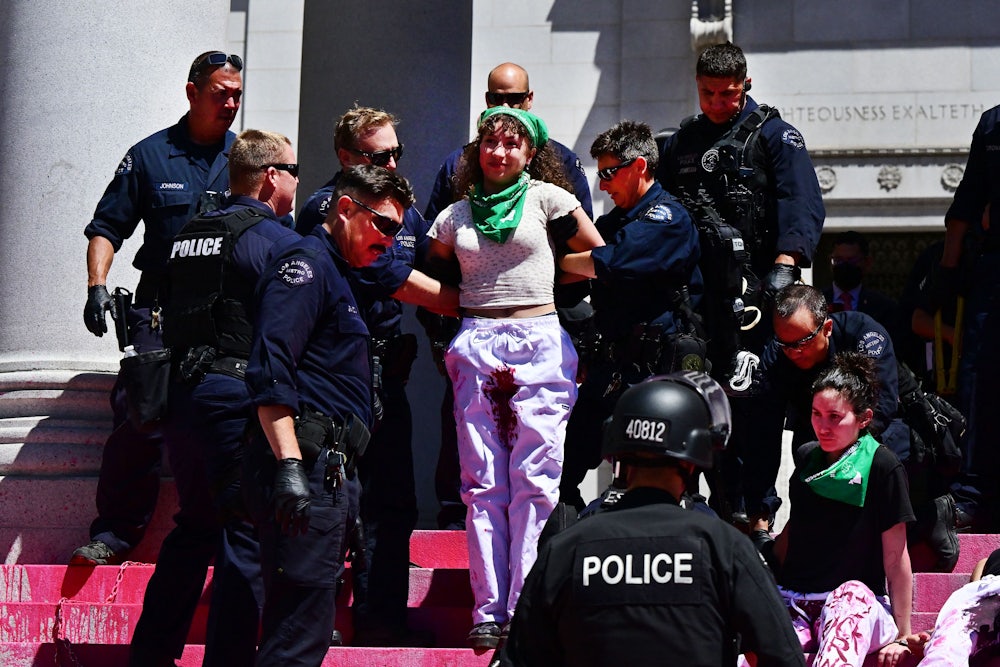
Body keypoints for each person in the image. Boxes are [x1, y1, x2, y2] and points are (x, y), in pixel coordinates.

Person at [425, 106, 604, 648]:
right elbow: (429, 275)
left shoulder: (553, 200)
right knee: (483, 485)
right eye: (490, 143)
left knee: (537, 481)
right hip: (478, 343)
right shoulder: (453, 216)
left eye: (511, 144)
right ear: (478, 150)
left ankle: (523, 608)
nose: (499, 153)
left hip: (541, 341)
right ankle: (487, 610)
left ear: (530, 153)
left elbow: (600, 258)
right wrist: (451, 333)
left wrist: (550, 265)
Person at [128, 129, 300, 667]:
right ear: (271, 176)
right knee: (242, 532)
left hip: (182, 398)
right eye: (293, 171)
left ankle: (151, 656)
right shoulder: (273, 240)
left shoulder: (191, 232)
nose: (298, 180)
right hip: (234, 399)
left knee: (194, 525)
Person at [501, 372, 806, 667]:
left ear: (615, 448)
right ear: (694, 459)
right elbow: (782, 655)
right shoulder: (725, 548)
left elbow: (521, 658)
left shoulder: (565, 550)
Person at [244, 164, 420, 667]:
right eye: (384, 225)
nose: (390, 240)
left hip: (333, 468)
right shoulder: (305, 266)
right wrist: (290, 466)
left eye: (399, 231)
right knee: (297, 633)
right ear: (346, 209)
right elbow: (271, 367)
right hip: (306, 464)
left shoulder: (343, 274)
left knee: (310, 625)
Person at [296, 105, 456, 647]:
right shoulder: (328, 206)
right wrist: (474, 305)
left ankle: (382, 618)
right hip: (338, 374)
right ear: (346, 158)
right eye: (378, 155)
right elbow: (386, 274)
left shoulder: (403, 208)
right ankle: (325, 619)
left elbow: (431, 265)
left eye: (396, 153)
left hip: (388, 368)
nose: (391, 162)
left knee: (395, 500)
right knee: (340, 498)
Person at [77, 51, 245, 565]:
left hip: (223, 317)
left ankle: (226, 535)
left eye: (237, 93)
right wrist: (96, 285)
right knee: (140, 414)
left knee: (224, 422)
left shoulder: (247, 158)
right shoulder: (149, 156)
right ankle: (114, 533)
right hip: (160, 310)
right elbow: (107, 228)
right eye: (221, 92)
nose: (231, 103)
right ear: (192, 92)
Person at [656, 41, 825, 528]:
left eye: (727, 94)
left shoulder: (774, 135)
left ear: (745, 84)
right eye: (708, 94)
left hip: (754, 291)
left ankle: (757, 512)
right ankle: (708, 505)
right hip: (697, 296)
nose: (717, 104)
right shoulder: (682, 142)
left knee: (752, 400)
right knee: (697, 398)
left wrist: (786, 263)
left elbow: (802, 201)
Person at [424, 61, 594, 530]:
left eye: (514, 100)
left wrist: (551, 302)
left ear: (530, 101)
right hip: (475, 332)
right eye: (495, 100)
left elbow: (591, 256)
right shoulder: (459, 165)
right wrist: (443, 334)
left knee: (540, 463)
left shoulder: (557, 168)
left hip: (543, 331)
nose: (504, 110)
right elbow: (435, 261)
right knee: (477, 465)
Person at [557, 120, 704, 510]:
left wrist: (563, 263)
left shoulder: (667, 218)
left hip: (657, 376)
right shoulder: (615, 222)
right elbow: (590, 263)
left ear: (639, 166)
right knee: (561, 469)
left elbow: (614, 261)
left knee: (659, 478)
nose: (602, 185)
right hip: (611, 367)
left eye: (608, 173)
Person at [756, 352, 914, 667]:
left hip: (857, 606)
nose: (823, 426)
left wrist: (904, 634)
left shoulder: (882, 465)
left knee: (849, 597)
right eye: (816, 414)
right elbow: (796, 529)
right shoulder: (806, 457)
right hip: (797, 601)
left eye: (834, 416)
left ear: (865, 418)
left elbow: (896, 559)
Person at [928, 102, 1000, 531]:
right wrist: (948, 270)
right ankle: (972, 493)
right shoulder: (992, 123)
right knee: (978, 377)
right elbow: (967, 202)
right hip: (994, 268)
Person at [902, 549, 1000, 666]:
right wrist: (935, 633)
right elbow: (970, 607)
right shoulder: (989, 561)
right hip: (987, 592)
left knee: (947, 649)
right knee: (947, 649)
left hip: (985, 596)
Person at [822, 230, 904, 345]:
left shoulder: (883, 307)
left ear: (867, 262)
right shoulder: (817, 302)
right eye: (839, 260)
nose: (845, 266)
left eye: (852, 261)